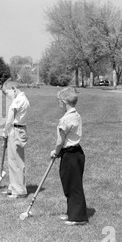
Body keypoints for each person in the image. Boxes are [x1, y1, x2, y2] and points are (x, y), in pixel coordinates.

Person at [50, 87, 88, 226]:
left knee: (73, 185)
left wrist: (55, 152)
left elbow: (60, 140)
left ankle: (78, 217)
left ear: (64, 101)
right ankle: (72, 212)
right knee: (70, 183)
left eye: (59, 101)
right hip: (77, 153)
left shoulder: (65, 119)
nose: (59, 104)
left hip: (70, 155)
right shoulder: (76, 115)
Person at [1, 80, 31, 198]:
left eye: (6, 93)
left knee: (16, 162)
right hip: (19, 130)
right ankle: (13, 187)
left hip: (16, 131)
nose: (6, 96)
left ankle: (19, 191)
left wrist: (4, 132)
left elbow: (9, 119)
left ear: (13, 89)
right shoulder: (23, 99)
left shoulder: (18, 100)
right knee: (13, 161)